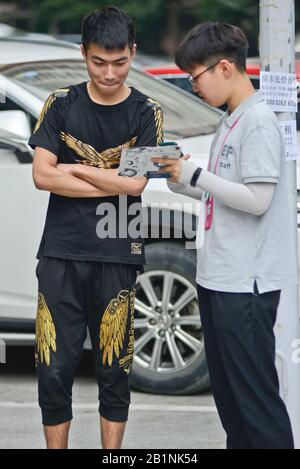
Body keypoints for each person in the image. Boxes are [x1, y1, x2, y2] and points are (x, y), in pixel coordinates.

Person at [152, 22, 297, 449]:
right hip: (219, 276)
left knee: (256, 402)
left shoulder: (258, 121)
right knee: (232, 404)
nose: (193, 86)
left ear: (226, 67)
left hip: (246, 283)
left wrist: (196, 174)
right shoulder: (232, 119)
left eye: (195, 77)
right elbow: (222, 188)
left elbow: (257, 200)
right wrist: (181, 177)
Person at [29, 6, 163, 449]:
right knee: (53, 367)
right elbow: (42, 176)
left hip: (117, 251)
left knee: (114, 367)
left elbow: (138, 183)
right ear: (83, 53)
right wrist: (111, 180)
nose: (109, 73)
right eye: (98, 62)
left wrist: (76, 170)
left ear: (133, 53)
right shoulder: (60, 104)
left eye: (120, 62)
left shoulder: (147, 112)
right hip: (60, 253)